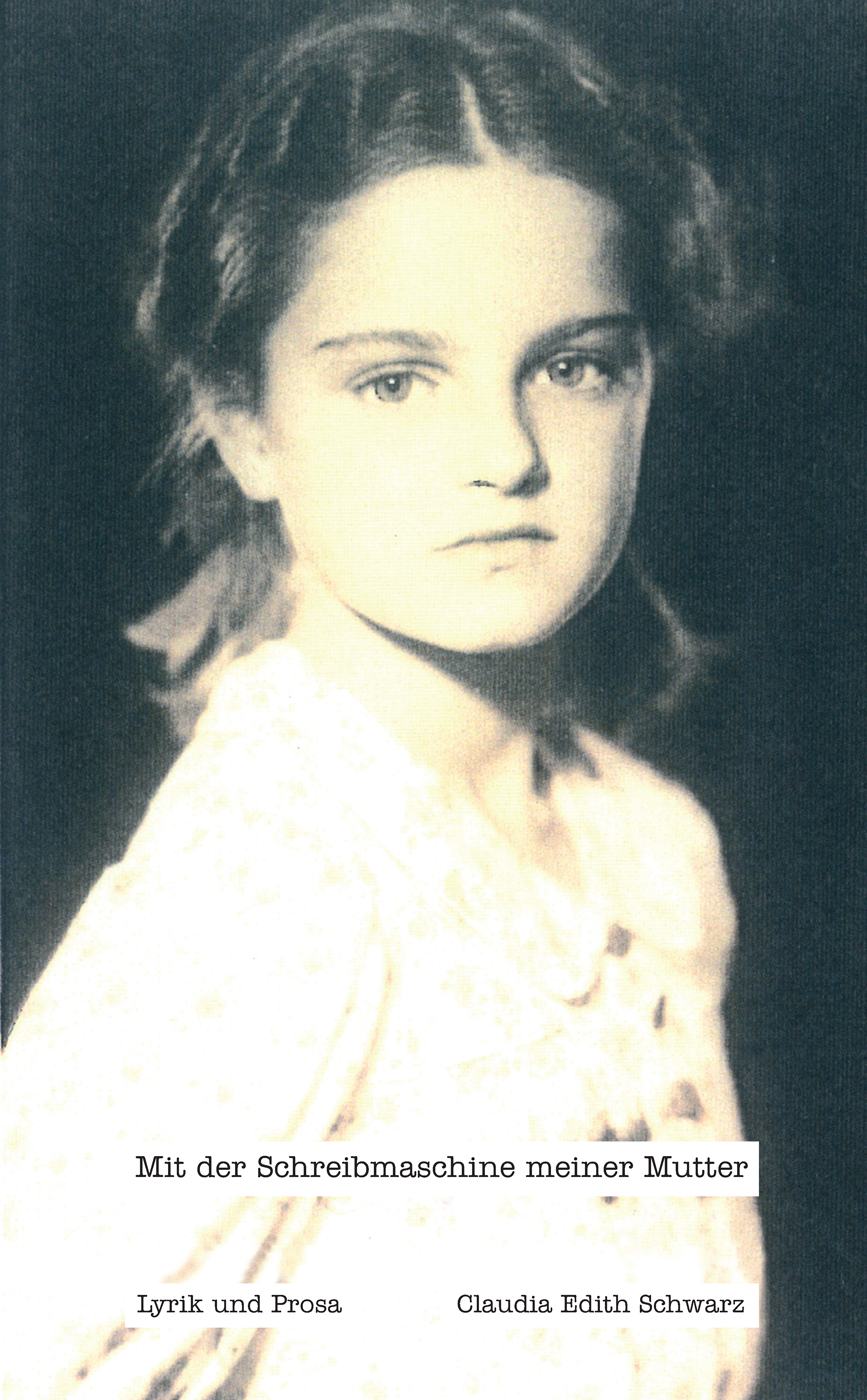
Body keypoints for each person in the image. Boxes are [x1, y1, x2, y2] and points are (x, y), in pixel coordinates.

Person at [3, 5, 767, 1396]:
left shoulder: (656, 853)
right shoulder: (265, 895)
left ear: (647, 382)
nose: (505, 451)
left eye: (575, 365)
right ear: (242, 423)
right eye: (396, 381)